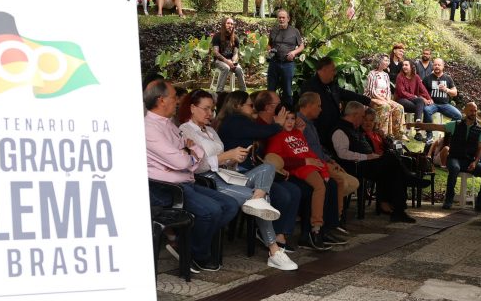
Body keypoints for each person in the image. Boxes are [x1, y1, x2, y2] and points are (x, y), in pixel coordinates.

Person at [177, 90, 296, 270]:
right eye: (206, 109)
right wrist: (226, 156)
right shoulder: (185, 131)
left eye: (212, 109)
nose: (210, 113)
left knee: (268, 168)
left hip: (227, 174)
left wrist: (234, 159)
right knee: (263, 200)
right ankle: (274, 250)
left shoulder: (210, 131)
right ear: (193, 108)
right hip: (208, 180)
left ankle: (258, 199)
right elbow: (196, 166)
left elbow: (222, 160)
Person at [145, 79, 238, 272]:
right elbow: (182, 161)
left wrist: (187, 154)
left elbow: (194, 153)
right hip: (167, 188)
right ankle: (197, 254)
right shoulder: (149, 128)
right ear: (161, 100)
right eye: (173, 97)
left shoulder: (169, 124)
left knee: (230, 205)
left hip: (187, 181)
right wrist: (187, 155)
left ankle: (187, 247)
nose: (178, 101)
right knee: (211, 211)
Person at [265, 108, 341, 251]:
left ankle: (323, 229)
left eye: (292, 119)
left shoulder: (297, 134)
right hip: (292, 172)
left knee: (331, 184)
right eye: (286, 118)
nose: (290, 122)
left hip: (307, 169)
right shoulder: (276, 136)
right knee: (312, 189)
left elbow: (307, 152)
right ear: (278, 118)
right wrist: (305, 162)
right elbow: (275, 161)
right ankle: (311, 231)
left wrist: (320, 166)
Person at [332, 101, 414, 222]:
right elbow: (342, 153)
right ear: (355, 115)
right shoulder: (340, 130)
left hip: (369, 162)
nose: (362, 120)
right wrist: (367, 157)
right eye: (362, 117)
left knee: (394, 167)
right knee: (391, 160)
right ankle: (408, 183)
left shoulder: (354, 129)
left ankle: (398, 210)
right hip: (357, 166)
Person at [417, 102, 481, 211]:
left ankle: (480, 202)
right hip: (454, 158)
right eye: (471, 110)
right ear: (465, 111)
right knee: (454, 168)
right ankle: (449, 199)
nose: (474, 113)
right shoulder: (455, 124)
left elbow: (480, 149)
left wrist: (475, 162)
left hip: (469, 161)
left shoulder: (480, 130)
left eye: (475, 110)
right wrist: (418, 125)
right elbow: (435, 126)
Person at [296, 90, 361, 202]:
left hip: (322, 163)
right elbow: (301, 149)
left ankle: (331, 210)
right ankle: (331, 213)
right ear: (309, 105)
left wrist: (330, 160)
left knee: (352, 182)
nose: (321, 109)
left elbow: (317, 147)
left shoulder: (310, 123)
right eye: (319, 106)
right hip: (312, 166)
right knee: (341, 183)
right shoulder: (298, 122)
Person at [301, 56, 369, 150]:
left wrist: (369, 101)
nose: (335, 72)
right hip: (319, 133)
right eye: (333, 70)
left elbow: (347, 94)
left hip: (334, 130)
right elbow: (305, 111)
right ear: (324, 70)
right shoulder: (309, 86)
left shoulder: (331, 85)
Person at [267, 8, 304, 107]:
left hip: (287, 64)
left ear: (288, 19)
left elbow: (301, 46)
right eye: (279, 18)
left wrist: (293, 52)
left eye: (283, 18)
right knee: (271, 89)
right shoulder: (274, 30)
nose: (281, 20)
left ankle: (288, 112)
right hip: (274, 63)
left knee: (287, 90)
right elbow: (269, 44)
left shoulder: (294, 31)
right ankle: (270, 110)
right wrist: (269, 50)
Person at [364, 54, 402, 137]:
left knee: (399, 107)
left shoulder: (386, 75)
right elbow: (371, 92)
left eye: (388, 61)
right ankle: (382, 133)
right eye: (385, 60)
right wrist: (385, 101)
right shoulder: (372, 74)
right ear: (379, 61)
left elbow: (388, 90)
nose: (387, 62)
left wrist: (388, 100)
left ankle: (396, 133)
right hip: (372, 98)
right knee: (386, 107)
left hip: (384, 99)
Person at [210, 16, 247, 93]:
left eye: (232, 24)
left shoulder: (235, 38)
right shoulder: (217, 36)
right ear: (224, 25)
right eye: (228, 23)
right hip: (219, 61)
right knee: (226, 68)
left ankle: (243, 92)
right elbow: (216, 53)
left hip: (230, 61)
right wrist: (227, 62)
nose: (230, 25)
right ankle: (219, 91)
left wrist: (233, 61)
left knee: (239, 69)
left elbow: (236, 53)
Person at [394, 59, 432, 124]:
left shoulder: (416, 77)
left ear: (411, 66)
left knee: (420, 100)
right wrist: (414, 96)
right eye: (403, 65)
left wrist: (429, 99)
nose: (404, 67)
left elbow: (423, 89)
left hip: (413, 99)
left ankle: (418, 121)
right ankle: (418, 126)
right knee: (420, 106)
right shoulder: (400, 76)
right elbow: (401, 92)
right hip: (401, 99)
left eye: (406, 65)